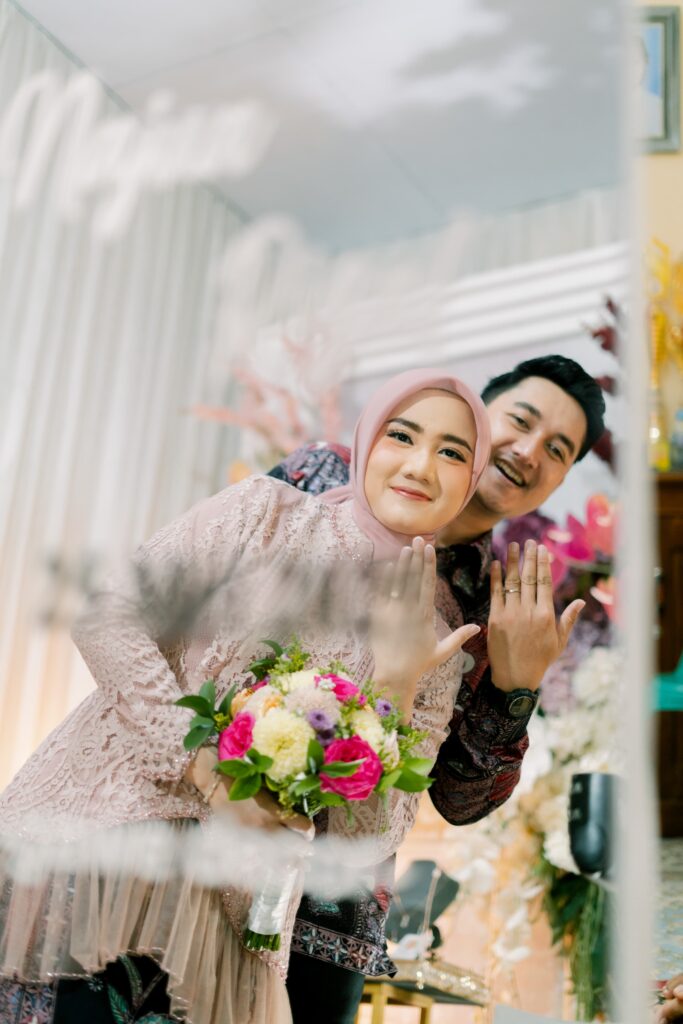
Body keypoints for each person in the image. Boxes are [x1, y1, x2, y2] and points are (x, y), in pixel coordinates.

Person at [0, 370, 504, 1024]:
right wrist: (203, 768)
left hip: (227, 922)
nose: (419, 465)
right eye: (400, 436)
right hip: (105, 847)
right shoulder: (264, 514)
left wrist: (398, 684)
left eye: (451, 452)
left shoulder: (439, 638)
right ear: (366, 444)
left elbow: (368, 836)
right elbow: (110, 617)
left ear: (469, 480)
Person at [271, 354, 607, 1023]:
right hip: (210, 829)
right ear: (477, 414)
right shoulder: (327, 475)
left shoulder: (496, 603)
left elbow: (459, 802)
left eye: (557, 450)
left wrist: (514, 687)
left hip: (332, 902)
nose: (528, 451)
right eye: (520, 421)